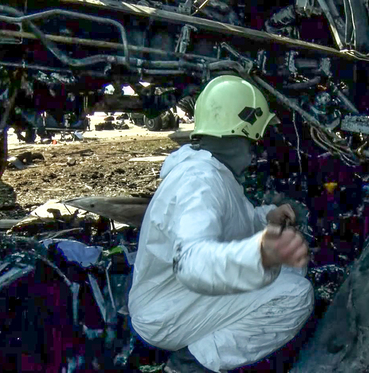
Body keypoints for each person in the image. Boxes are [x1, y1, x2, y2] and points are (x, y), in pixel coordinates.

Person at [128, 75, 313, 373]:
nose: (257, 149)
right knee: (295, 296)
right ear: (241, 133)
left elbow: (226, 221)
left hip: (175, 298)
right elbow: (194, 262)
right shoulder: (201, 182)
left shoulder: (209, 170)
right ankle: (186, 366)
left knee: (290, 271)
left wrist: (266, 217)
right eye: (256, 139)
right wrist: (260, 254)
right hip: (166, 311)